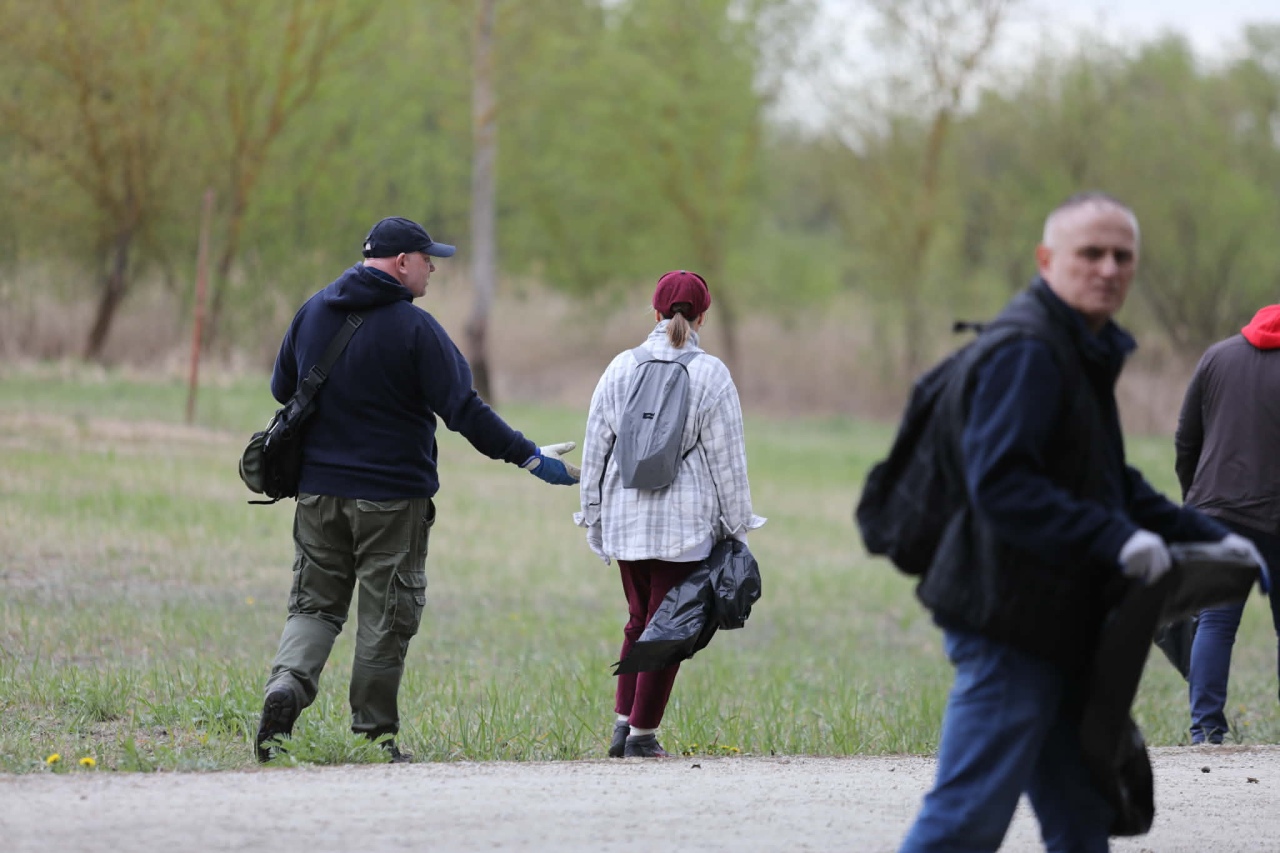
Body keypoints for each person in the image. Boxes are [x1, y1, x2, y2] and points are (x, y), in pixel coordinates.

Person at [898, 193, 1262, 852]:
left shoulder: (1077, 347)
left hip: (1056, 619)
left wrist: (1215, 537)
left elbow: (1108, 480)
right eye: (1089, 253)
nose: (1108, 268)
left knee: (1080, 815)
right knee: (966, 818)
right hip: (1009, 619)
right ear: (1046, 260)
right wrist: (1118, 538)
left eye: (1122, 255)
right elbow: (1001, 484)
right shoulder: (1030, 350)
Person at [254, 216, 580, 763]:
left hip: (319, 495)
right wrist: (527, 454)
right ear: (401, 262)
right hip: (391, 501)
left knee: (313, 606)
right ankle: (375, 737)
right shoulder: (415, 329)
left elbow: (281, 388)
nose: (433, 267)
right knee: (386, 616)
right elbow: (464, 411)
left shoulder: (313, 310)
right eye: (427, 258)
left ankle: (286, 686)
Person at [574, 270, 764, 759]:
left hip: (625, 521)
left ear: (654, 312)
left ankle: (621, 726)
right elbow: (728, 462)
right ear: (703, 316)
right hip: (685, 528)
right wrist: (737, 528)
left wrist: (592, 516)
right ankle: (642, 737)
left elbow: (596, 448)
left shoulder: (619, 368)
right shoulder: (711, 374)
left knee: (640, 622)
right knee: (669, 630)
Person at [1175, 304, 1280, 745]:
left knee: (1215, 622)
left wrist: (1194, 499)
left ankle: (1206, 731)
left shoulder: (1216, 356)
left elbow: (1186, 436)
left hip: (1217, 512)